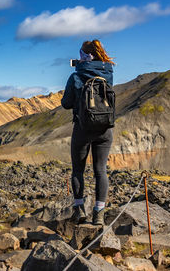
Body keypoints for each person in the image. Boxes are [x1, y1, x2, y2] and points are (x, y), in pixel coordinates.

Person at [61, 39, 115, 225]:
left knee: (78, 170)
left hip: (82, 129)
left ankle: (80, 211)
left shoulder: (76, 77)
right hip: (104, 129)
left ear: (84, 56)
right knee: (101, 171)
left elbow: (66, 103)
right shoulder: (108, 74)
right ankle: (99, 214)